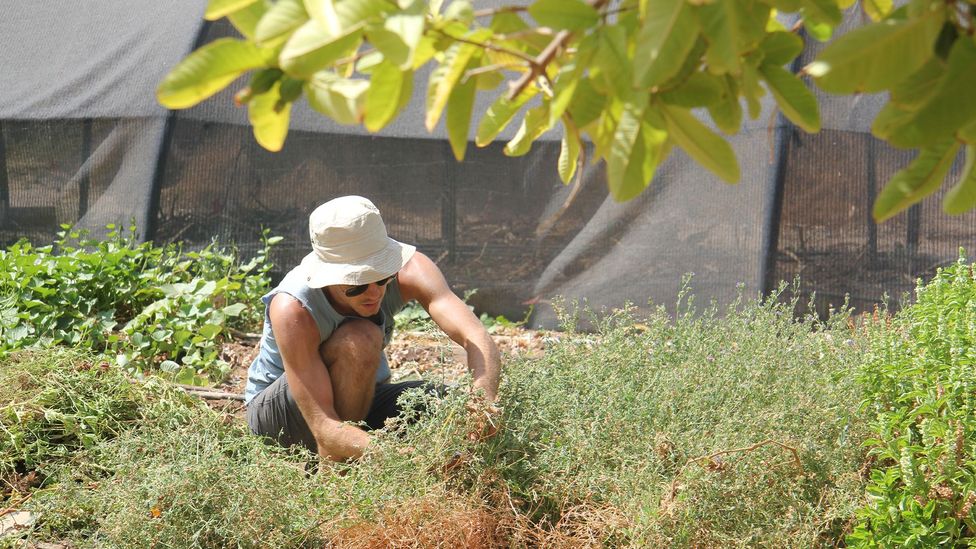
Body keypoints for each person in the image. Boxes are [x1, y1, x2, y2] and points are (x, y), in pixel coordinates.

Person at [244, 195, 501, 461]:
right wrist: (410, 460)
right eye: (356, 284)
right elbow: (323, 426)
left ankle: (361, 452)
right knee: (361, 337)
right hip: (281, 418)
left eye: (382, 276)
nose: (374, 292)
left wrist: (483, 405)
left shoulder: (412, 270)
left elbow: (475, 336)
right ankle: (337, 479)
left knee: (452, 405)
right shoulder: (293, 307)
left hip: (359, 402)